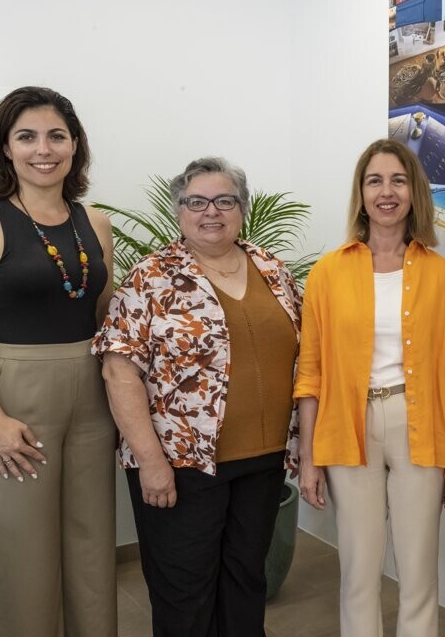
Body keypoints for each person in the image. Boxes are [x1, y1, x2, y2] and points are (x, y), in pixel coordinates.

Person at [93, 157, 302, 636]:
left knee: (246, 579)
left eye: (225, 200)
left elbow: (305, 353)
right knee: (184, 590)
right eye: (196, 202)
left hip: (263, 459)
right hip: (180, 464)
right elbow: (118, 371)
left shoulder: (272, 268)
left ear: (242, 208)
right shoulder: (151, 278)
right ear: (179, 212)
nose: (212, 211)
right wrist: (150, 461)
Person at [0, 86, 116, 636]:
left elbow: (108, 322)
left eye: (56, 136)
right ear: (6, 149)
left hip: (92, 395)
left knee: (92, 544)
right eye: (27, 137)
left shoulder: (98, 223)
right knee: (25, 550)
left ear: (74, 146)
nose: (44, 149)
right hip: (15, 394)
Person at [295, 138, 445, 637]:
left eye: (398, 180)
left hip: (421, 426)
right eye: (374, 180)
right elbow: (310, 373)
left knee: (419, 572)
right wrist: (309, 457)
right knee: (358, 569)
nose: (386, 191)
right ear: (361, 193)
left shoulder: (444, 277)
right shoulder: (328, 273)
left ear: (414, 191)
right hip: (348, 427)